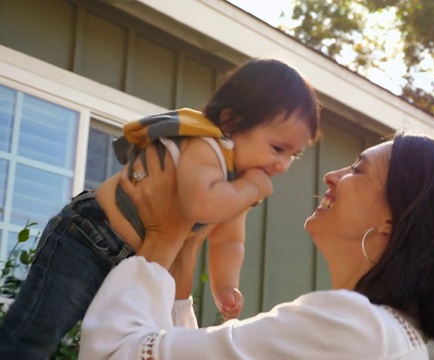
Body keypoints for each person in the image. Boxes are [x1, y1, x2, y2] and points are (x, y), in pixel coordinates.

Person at [79, 132, 434, 360]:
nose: (332, 176)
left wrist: (162, 236)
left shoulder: (355, 328)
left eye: (358, 170)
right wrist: (184, 257)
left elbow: (117, 355)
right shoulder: (389, 340)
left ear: (391, 221)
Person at [0, 58, 321, 359]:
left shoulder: (238, 185)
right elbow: (201, 204)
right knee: (35, 333)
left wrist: (226, 286)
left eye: (293, 155)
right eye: (277, 148)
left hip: (137, 264)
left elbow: (228, 241)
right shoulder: (205, 146)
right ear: (231, 121)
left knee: (118, 341)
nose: (282, 165)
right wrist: (248, 188)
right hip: (89, 237)